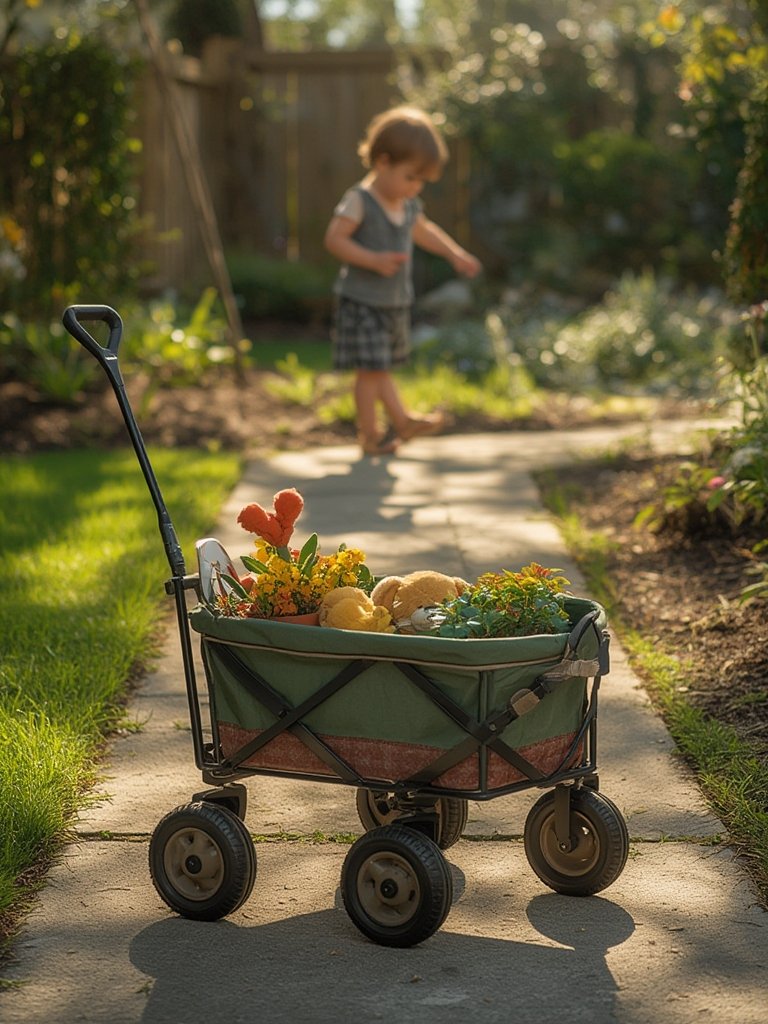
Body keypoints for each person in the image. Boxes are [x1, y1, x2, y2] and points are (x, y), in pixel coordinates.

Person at [324, 105, 482, 456]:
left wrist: (454, 254)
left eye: (422, 181)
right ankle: (371, 435)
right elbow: (335, 239)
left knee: (380, 368)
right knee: (370, 371)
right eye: (411, 177)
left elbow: (425, 232)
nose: (416, 187)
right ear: (382, 163)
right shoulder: (360, 201)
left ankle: (402, 420)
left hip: (393, 302)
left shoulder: (406, 204)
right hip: (363, 301)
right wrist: (372, 260)